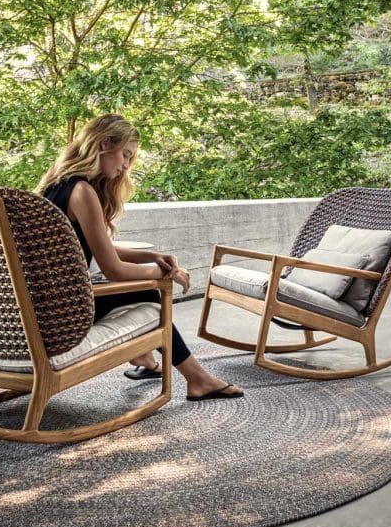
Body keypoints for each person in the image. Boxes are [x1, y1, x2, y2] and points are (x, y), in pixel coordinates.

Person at [35, 114, 243, 401]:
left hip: (44, 309)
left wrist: (151, 256)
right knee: (148, 290)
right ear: (105, 143)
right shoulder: (81, 191)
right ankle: (198, 379)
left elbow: (97, 247)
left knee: (140, 289)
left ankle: (146, 358)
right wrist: (165, 274)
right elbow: (114, 270)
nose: (125, 166)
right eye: (125, 155)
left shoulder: (55, 187)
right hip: (65, 318)